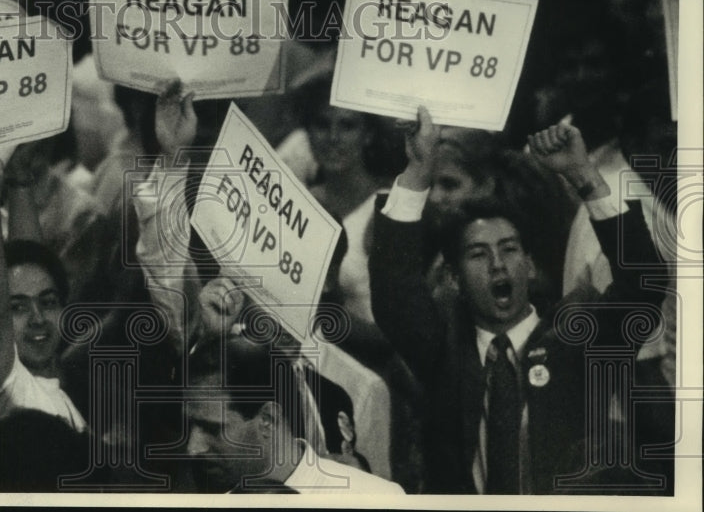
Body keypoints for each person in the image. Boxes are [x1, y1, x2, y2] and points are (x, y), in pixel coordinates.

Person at [369, 108, 666, 494]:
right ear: (454, 279)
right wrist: (418, 169)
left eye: (508, 249)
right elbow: (394, 291)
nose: (496, 264)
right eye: (478, 254)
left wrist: (583, 176)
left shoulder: (578, 343)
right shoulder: (443, 354)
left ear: (527, 265)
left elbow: (643, 282)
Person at [0, 137, 87, 461]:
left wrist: (20, 180)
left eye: (48, 302)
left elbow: (30, 263)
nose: (37, 318)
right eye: (18, 308)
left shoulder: (49, 386)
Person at [185, 334, 404, 495]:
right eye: (190, 426)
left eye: (212, 428)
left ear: (268, 419)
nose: (193, 448)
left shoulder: (372, 499)